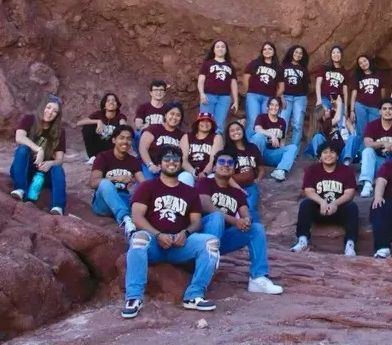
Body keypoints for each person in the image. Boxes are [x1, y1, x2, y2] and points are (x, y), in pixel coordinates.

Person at [121, 145, 219, 318]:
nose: (172, 162)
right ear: (159, 164)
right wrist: (157, 234)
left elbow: (196, 221)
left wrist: (186, 233)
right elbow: (137, 217)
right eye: (167, 159)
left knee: (210, 242)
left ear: (181, 163)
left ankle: (194, 295)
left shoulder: (190, 191)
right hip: (154, 243)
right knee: (138, 238)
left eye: (176, 159)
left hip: (179, 245)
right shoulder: (147, 187)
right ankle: (134, 297)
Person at [199, 153, 283, 294]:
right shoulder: (205, 183)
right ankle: (208, 261)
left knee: (256, 228)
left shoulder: (236, 193)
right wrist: (234, 221)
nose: (226, 164)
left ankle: (258, 278)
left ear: (234, 169)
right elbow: (205, 205)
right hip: (202, 236)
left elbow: (245, 212)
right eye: (221, 161)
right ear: (214, 166)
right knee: (217, 217)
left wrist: (246, 220)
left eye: (230, 163)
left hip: (223, 239)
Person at [291, 141, 358, 257]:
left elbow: (349, 193)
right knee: (305, 205)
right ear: (320, 156)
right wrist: (322, 202)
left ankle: (350, 245)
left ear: (337, 156)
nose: (328, 155)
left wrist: (335, 203)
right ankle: (302, 241)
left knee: (352, 207)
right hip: (319, 209)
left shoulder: (346, 171)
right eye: (325, 152)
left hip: (338, 209)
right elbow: (309, 191)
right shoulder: (312, 170)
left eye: (332, 152)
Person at [10, 95, 67, 215]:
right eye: (48, 107)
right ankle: (20, 189)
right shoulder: (29, 119)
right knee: (23, 148)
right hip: (25, 168)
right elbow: (19, 137)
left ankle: (57, 207)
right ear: (43, 107)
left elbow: (60, 159)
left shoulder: (60, 132)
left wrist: (50, 162)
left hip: (42, 172)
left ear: (57, 115)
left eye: (55, 111)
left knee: (57, 168)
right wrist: (39, 149)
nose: (50, 112)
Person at [90, 125, 144, 236]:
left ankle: (127, 218)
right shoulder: (103, 157)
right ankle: (125, 219)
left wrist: (134, 186)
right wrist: (115, 178)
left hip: (124, 199)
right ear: (114, 140)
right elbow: (93, 183)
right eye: (122, 138)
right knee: (105, 183)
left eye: (129, 139)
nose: (125, 141)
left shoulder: (133, 161)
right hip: (103, 204)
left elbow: (144, 184)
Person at [358, 98, 392, 197]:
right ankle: (367, 184)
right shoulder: (372, 125)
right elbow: (367, 144)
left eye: (390, 109)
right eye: (384, 109)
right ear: (379, 111)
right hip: (378, 163)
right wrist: (384, 143)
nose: (387, 111)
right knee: (367, 151)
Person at [221, 119, 263, 220]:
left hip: (250, 184)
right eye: (232, 131)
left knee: (250, 208)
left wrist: (257, 180)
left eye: (238, 129)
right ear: (228, 134)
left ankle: (255, 230)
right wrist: (238, 188)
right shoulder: (226, 151)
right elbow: (225, 174)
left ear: (243, 131)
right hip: (232, 185)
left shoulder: (252, 148)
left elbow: (261, 167)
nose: (235, 132)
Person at [250, 96, 298, 182]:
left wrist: (286, 157)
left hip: (271, 155)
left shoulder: (282, 121)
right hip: (260, 151)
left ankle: (279, 171)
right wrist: (272, 135)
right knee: (259, 136)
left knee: (293, 147)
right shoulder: (262, 117)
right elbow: (257, 129)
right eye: (271, 105)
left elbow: (282, 141)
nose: (274, 107)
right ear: (268, 106)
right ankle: (253, 166)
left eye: (276, 105)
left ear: (279, 107)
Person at [347, 54, 384, 162]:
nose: (363, 64)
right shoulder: (357, 76)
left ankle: (372, 156)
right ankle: (363, 156)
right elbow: (354, 94)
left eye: (364, 61)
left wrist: (382, 107)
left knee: (374, 131)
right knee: (361, 131)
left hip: (375, 107)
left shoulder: (378, 74)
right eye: (360, 63)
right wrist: (352, 110)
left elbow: (382, 93)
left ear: (369, 61)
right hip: (361, 105)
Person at [197, 40, 238, 137]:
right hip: (208, 96)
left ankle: (217, 148)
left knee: (219, 125)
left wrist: (236, 100)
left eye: (223, 47)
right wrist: (202, 94)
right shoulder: (207, 64)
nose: (220, 48)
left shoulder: (230, 66)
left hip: (224, 98)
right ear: (214, 50)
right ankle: (204, 144)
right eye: (218, 46)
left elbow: (233, 84)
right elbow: (201, 80)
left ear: (226, 50)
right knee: (205, 121)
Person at [77, 92, 128, 163]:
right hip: (98, 144)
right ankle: (93, 157)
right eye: (108, 101)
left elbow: (123, 125)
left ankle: (115, 156)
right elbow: (79, 123)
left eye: (114, 100)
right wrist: (98, 121)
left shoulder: (120, 116)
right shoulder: (98, 114)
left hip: (111, 145)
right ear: (104, 105)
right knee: (87, 127)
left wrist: (122, 126)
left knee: (122, 131)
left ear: (117, 105)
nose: (111, 102)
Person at [138, 102, 185, 179]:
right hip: (150, 165)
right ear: (165, 115)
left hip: (170, 168)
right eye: (172, 114)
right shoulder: (153, 128)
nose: (174, 117)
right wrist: (150, 165)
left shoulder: (181, 135)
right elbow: (143, 148)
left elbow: (182, 155)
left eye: (178, 115)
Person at [244, 41, 282, 134]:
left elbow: (281, 87)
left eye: (270, 49)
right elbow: (246, 78)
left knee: (264, 122)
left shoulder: (277, 67)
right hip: (253, 95)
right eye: (265, 49)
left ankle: (260, 146)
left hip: (268, 98)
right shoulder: (255, 63)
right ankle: (250, 145)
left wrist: (274, 98)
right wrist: (248, 92)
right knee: (253, 121)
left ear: (274, 51)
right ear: (262, 51)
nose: (267, 51)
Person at [179, 112, 223, 187]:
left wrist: (204, 173)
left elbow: (214, 160)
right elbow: (183, 160)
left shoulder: (217, 137)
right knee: (184, 177)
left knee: (213, 179)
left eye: (208, 121)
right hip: (189, 171)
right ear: (197, 123)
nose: (205, 123)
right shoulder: (187, 136)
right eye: (202, 120)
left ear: (212, 124)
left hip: (209, 173)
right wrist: (193, 172)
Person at [280, 45, 310, 149]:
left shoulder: (303, 69)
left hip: (300, 98)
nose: (298, 55)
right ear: (292, 53)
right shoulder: (284, 66)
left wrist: (305, 101)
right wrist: (280, 96)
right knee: (282, 123)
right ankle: (280, 148)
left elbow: (306, 86)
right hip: (286, 96)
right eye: (296, 52)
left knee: (298, 124)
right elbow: (278, 83)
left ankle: (293, 150)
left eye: (300, 53)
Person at [315, 44, 348, 116]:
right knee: (322, 119)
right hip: (325, 98)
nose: (336, 54)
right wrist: (319, 99)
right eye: (333, 53)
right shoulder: (324, 67)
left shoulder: (344, 71)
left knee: (339, 124)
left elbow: (345, 92)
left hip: (338, 101)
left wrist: (345, 107)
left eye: (338, 52)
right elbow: (318, 84)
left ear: (341, 54)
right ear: (330, 55)